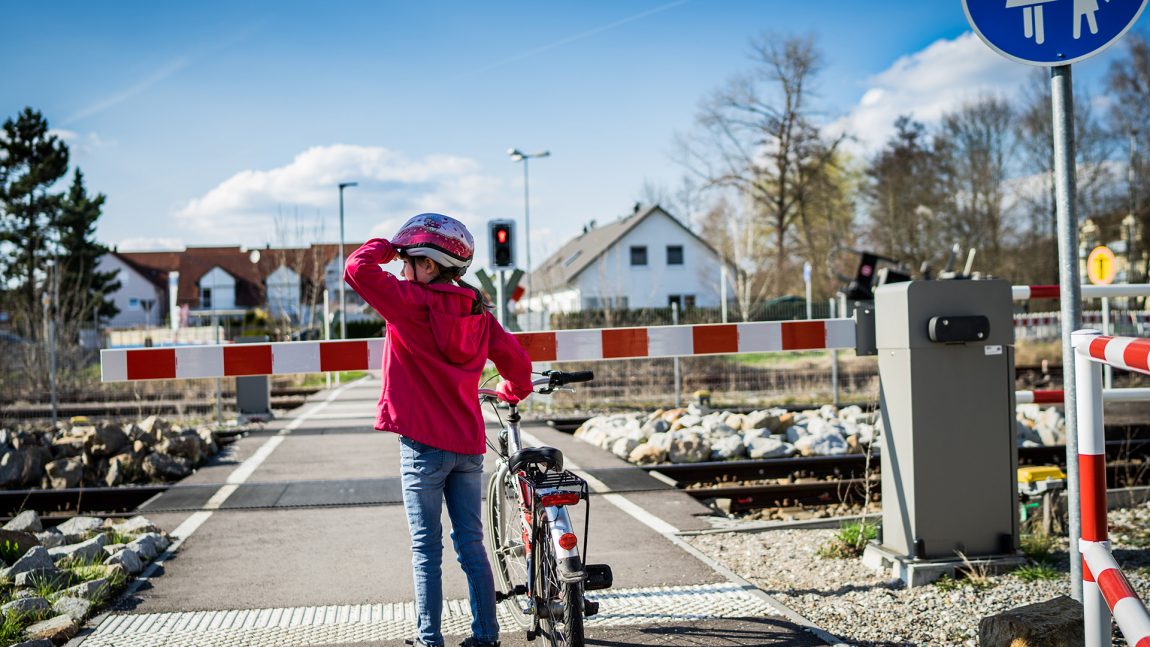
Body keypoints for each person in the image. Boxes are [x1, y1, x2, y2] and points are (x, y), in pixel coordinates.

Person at [344, 213, 534, 647]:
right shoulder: (477, 311)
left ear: (428, 265)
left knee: (426, 551)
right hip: (468, 446)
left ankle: (430, 640)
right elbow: (517, 363)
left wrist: (388, 245)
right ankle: (486, 636)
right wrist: (511, 390)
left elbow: (357, 268)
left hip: (422, 447)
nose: (400, 267)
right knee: (472, 546)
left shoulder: (409, 302)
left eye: (407, 260)